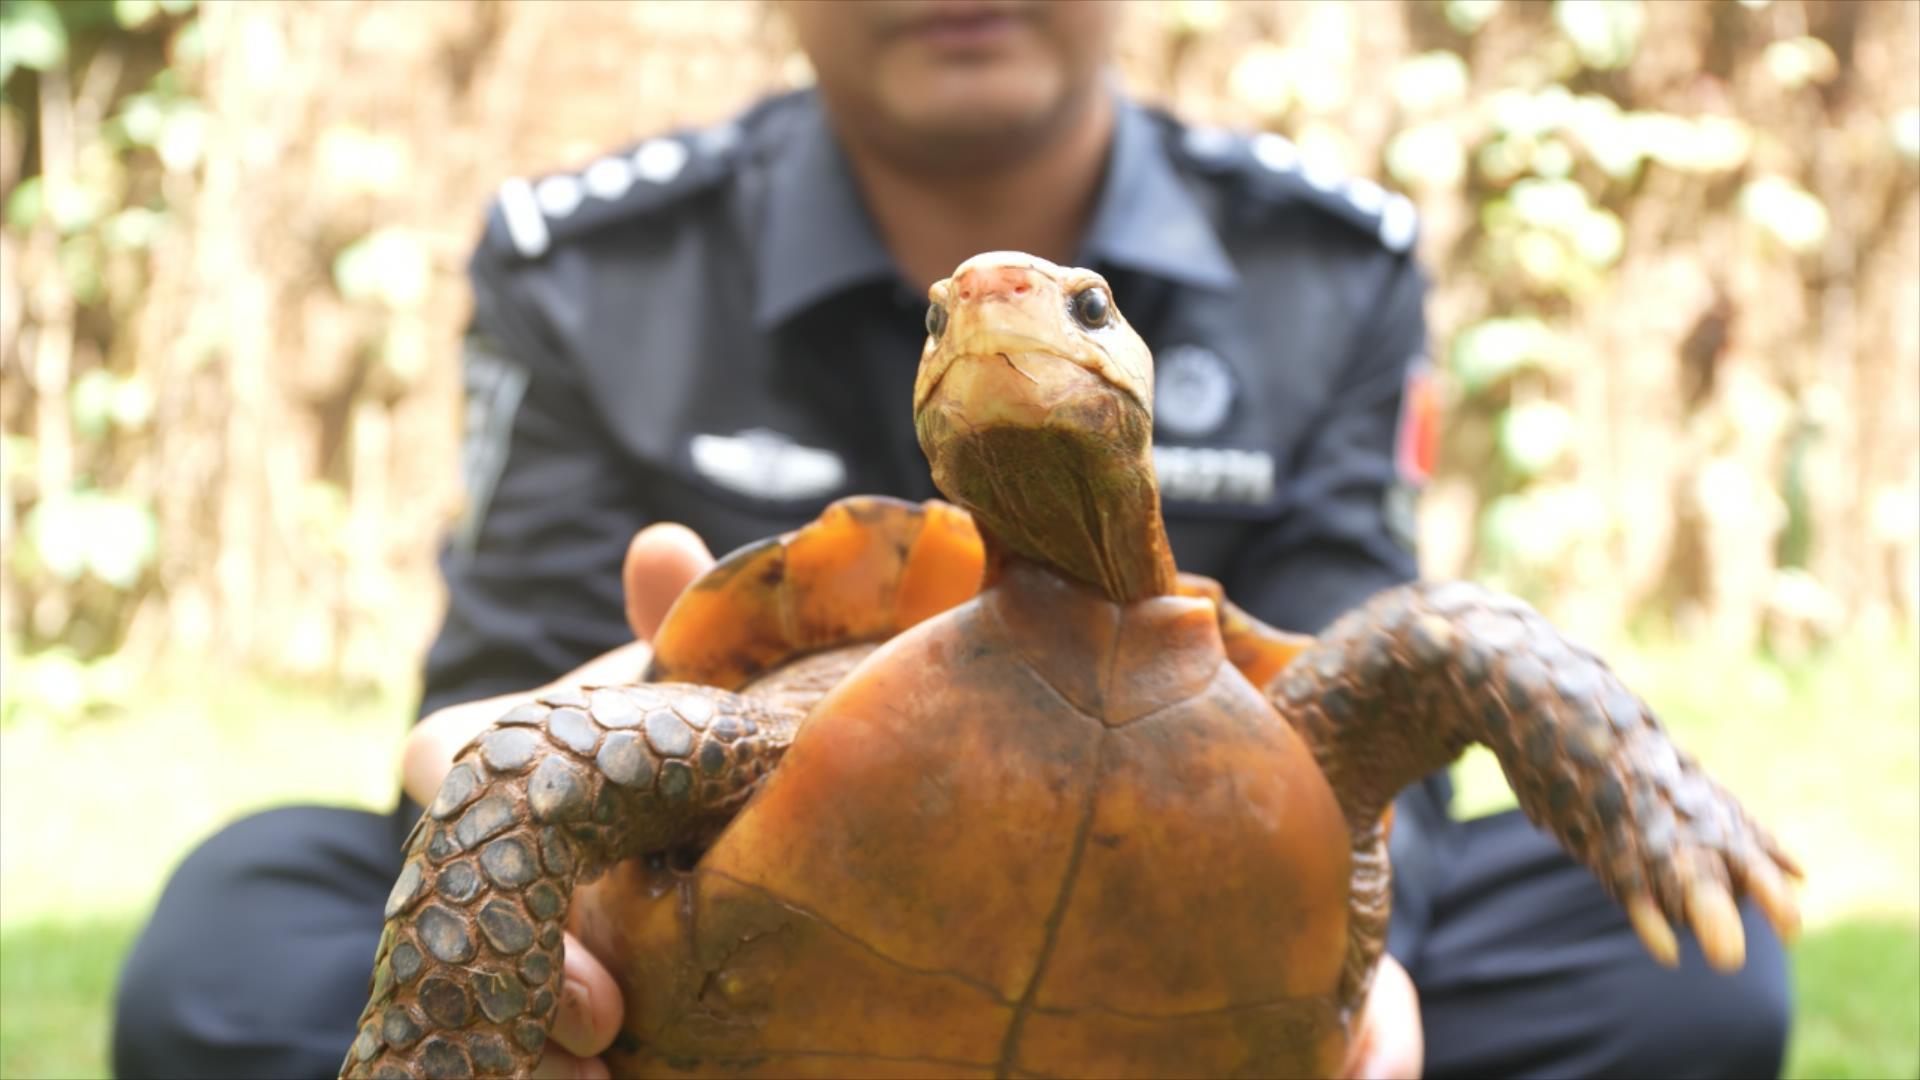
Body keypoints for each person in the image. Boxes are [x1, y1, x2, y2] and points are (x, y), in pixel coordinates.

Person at [113, 3, 1790, 1078]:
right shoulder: (598, 262)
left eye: (1075, 313)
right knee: (229, 946)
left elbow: (1398, 674)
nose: (1005, 316)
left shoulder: (1326, 263)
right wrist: (520, 805)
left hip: (1209, 918)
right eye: (956, 321)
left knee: (1682, 975)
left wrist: (1363, 962)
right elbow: (503, 711)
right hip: (743, 857)